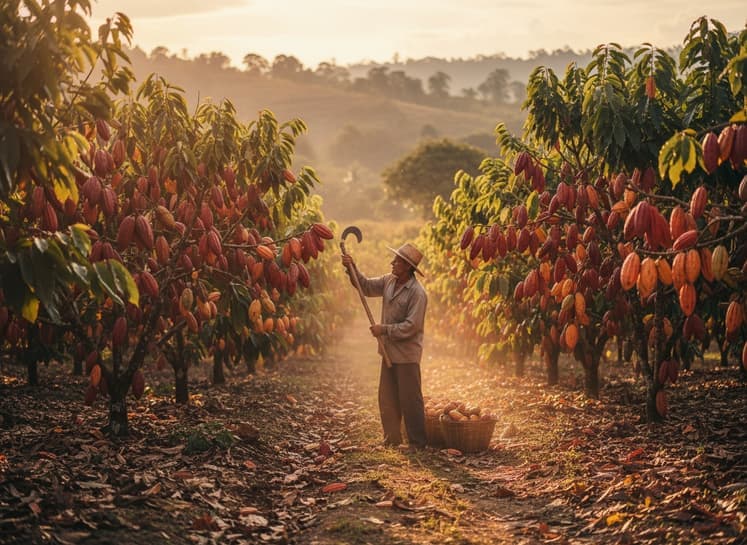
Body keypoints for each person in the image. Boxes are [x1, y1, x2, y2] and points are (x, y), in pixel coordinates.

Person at [341, 242, 428, 449]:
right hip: (388, 351)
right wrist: (351, 267)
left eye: (397, 261)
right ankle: (392, 439)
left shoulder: (417, 293)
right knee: (387, 396)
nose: (392, 263)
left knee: (410, 399)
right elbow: (366, 286)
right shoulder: (389, 281)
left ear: (407, 266)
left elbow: (411, 327)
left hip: (406, 355)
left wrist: (385, 329)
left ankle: (418, 442)